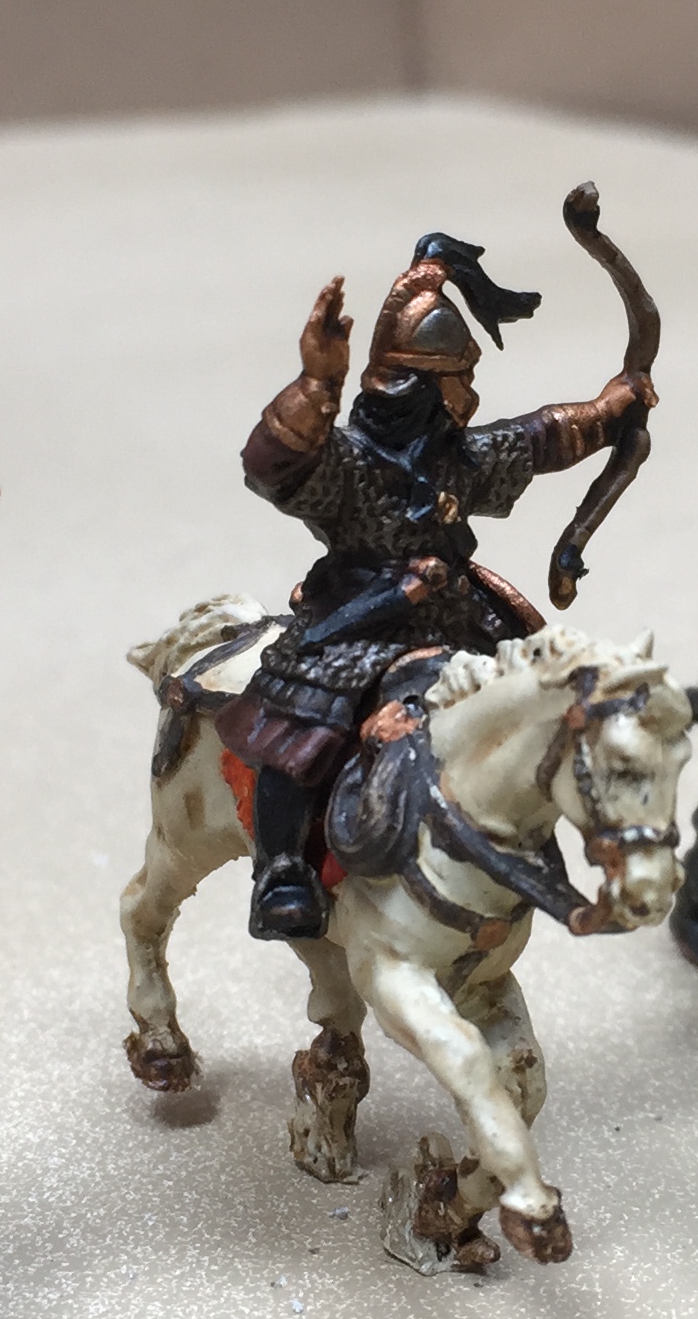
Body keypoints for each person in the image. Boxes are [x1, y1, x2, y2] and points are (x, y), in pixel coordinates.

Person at [220, 232, 648, 939]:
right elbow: (271, 465)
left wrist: (612, 409)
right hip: (356, 617)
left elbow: (539, 438)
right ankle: (283, 872)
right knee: (304, 722)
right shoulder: (347, 464)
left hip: (455, 611)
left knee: (535, 698)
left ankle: (512, 829)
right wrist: (315, 387)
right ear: (420, 389)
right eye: (458, 380)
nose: (470, 395)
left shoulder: (458, 458)